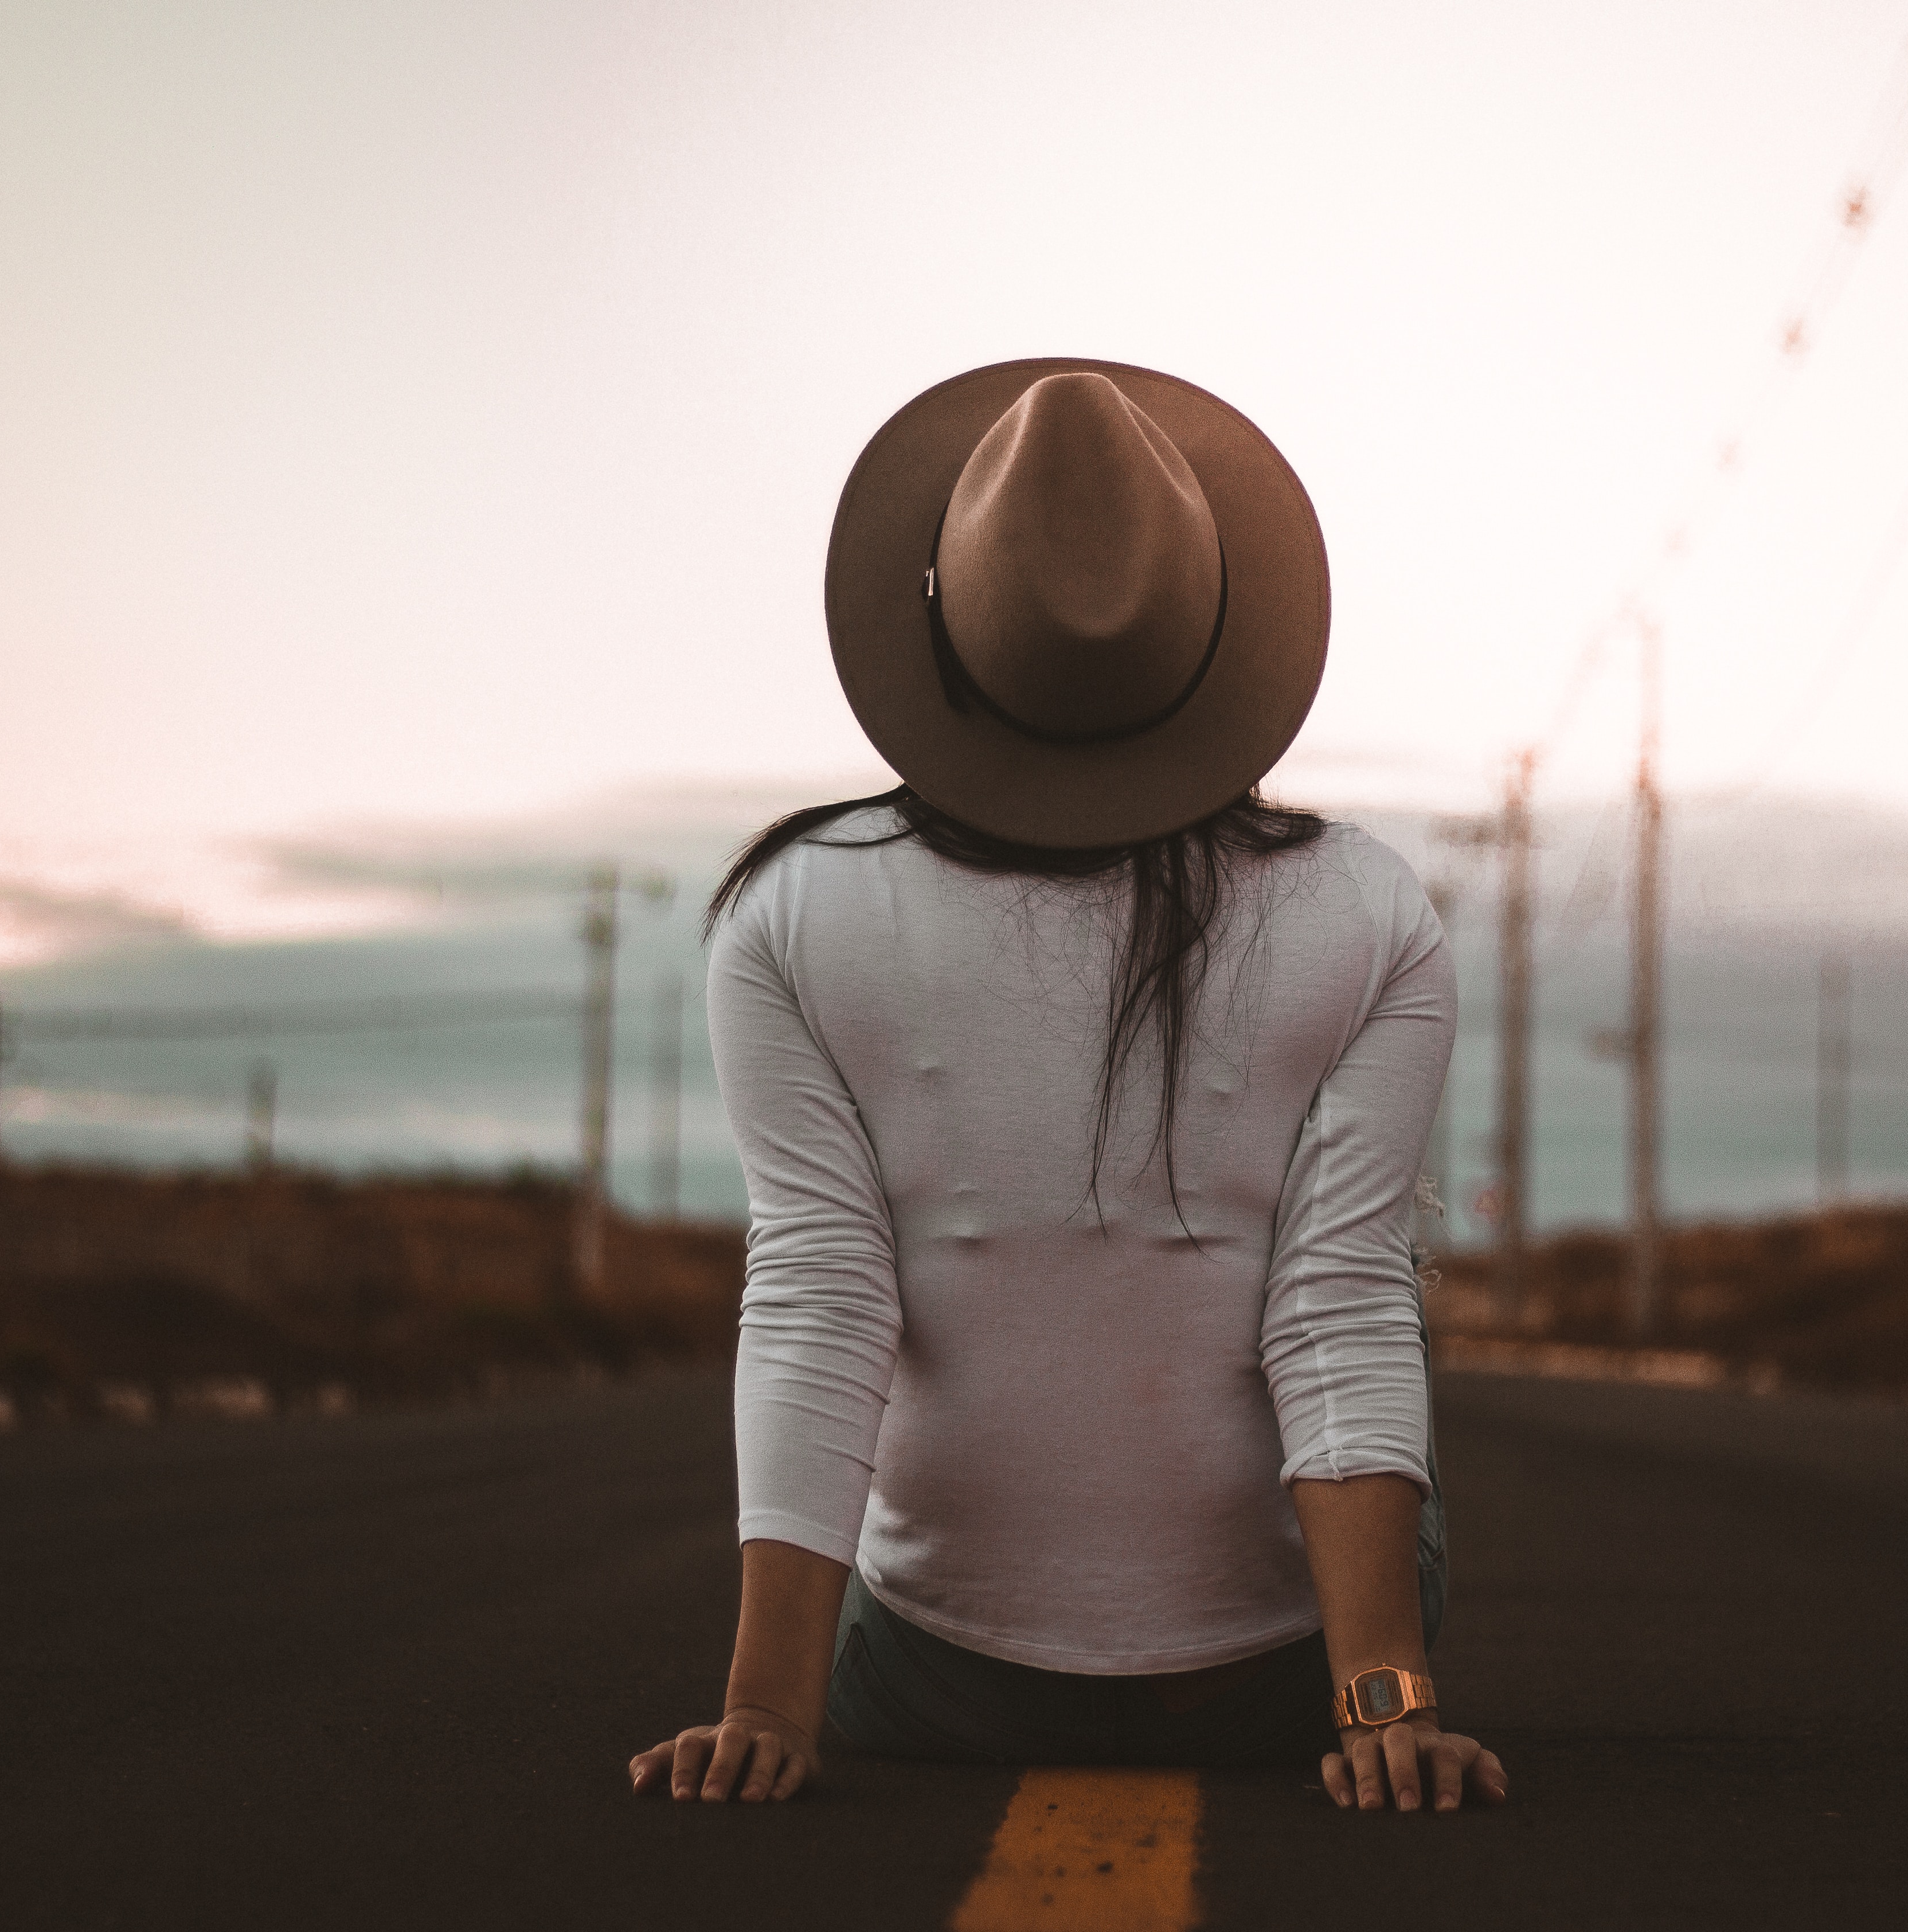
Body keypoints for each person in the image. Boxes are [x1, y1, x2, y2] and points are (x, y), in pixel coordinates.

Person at [629, 360, 1507, 1812]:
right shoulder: (1365, 910)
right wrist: (1380, 1707)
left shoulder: (787, 910)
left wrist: (767, 1712)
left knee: (845, 1302)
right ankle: (1370, 1671)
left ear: (934, 630)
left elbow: (820, 1293)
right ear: (1218, 633)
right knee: (1374, 1270)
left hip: (929, 1690)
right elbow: (1334, 1300)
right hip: (1268, 1689)